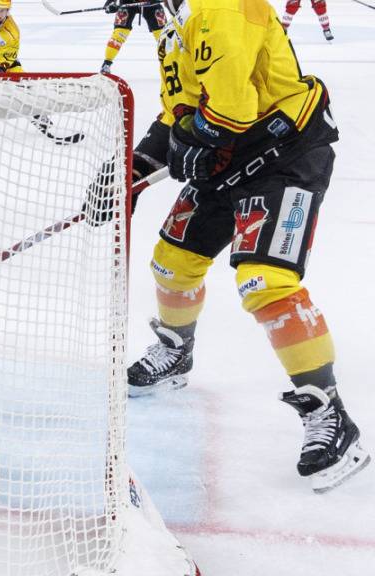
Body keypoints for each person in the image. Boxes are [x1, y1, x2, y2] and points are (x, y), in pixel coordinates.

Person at [127, 0, 369, 492]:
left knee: (264, 281)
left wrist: (186, 144)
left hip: (285, 157)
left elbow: (230, 113)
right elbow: (183, 108)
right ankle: (176, 350)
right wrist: (136, 168)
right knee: (172, 262)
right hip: (229, 160)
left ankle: (330, 414)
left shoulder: (222, 7)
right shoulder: (175, 25)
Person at [99, 0, 167, 74]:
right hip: (128, 3)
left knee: (163, 35)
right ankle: (106, 64)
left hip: (151, 3)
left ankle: (171, 61)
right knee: (119, 34)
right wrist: (110, 3)